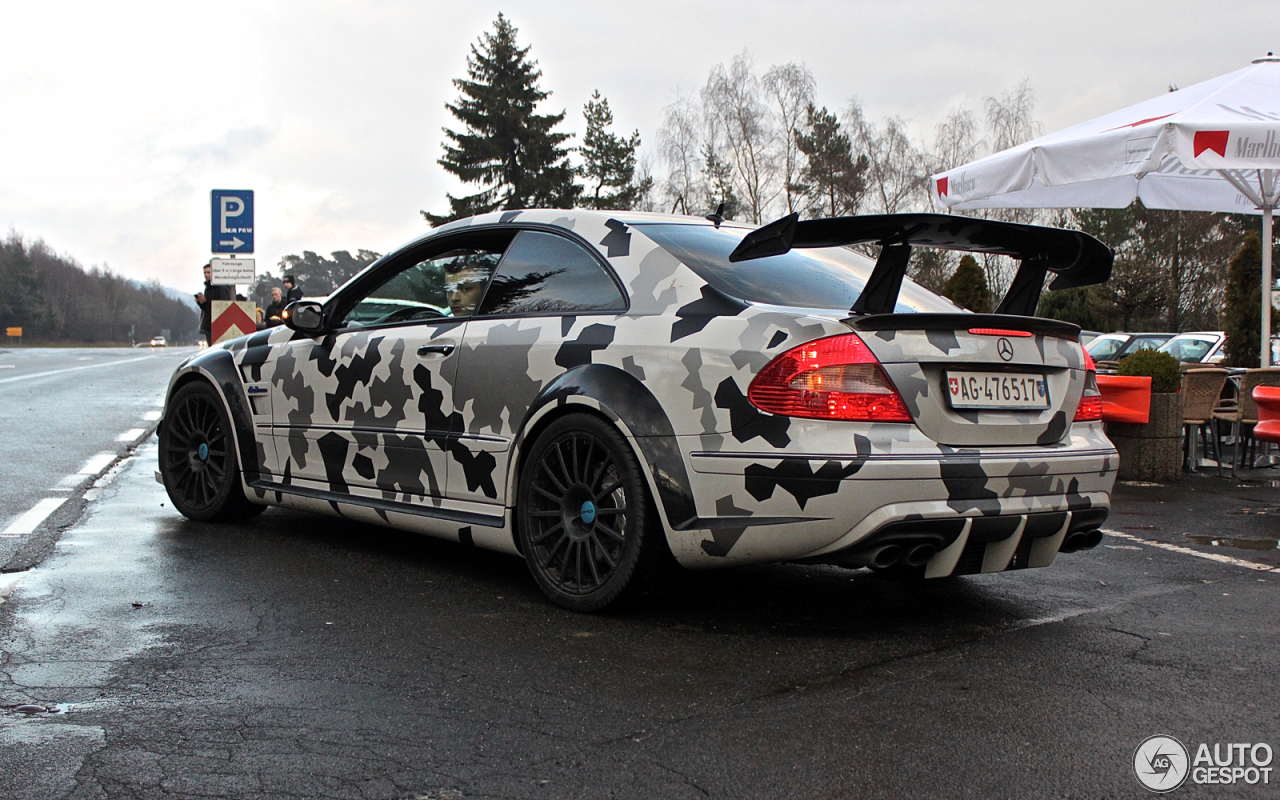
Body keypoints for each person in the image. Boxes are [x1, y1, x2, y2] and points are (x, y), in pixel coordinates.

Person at [195, 263, 234, 343]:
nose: (206, 275)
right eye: (205, 273)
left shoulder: (221, 287)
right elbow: (208, 308)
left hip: (218, 326)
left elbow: (222, 306)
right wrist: (201, 303)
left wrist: (206, 303)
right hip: (210, 325)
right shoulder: (208, 287)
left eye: (208, 272)